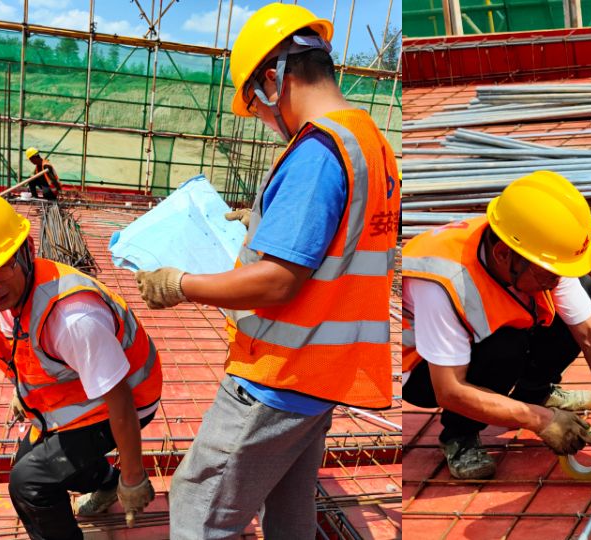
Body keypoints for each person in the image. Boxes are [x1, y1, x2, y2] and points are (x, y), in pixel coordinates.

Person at [134, 4, 400, 539]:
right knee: (288, 509)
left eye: (254, 104)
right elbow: (337, 239)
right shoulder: (368, 139)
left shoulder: (317, 151)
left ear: (273, 80)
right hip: (323, 372)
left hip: (281, 374)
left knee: (198, 505)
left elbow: (278, 280)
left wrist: (179, 285)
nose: (260, 117)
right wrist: (264, 221)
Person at [0, 187, 161, 540]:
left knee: (30, 482)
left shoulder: (73, 319)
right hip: (81, 394)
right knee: (28, 460)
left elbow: (121, 398)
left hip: (129, 400)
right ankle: (106, 481)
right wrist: (22, 391)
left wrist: (134, 477)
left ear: (27, 249)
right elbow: (24, 349)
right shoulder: (13, 297)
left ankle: (113, 484)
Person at [401, 171, 591, 480]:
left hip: (483, 343)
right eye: (549, 275)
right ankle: (459, 435)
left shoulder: (534, 250)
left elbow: (590, 336)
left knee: (586, 291)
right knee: (506, 346)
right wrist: (542, 421)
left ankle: (535, 393)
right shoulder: (444, 283)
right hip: (424, 371)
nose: (555, 282)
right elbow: (449, 390)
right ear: (503, 254)